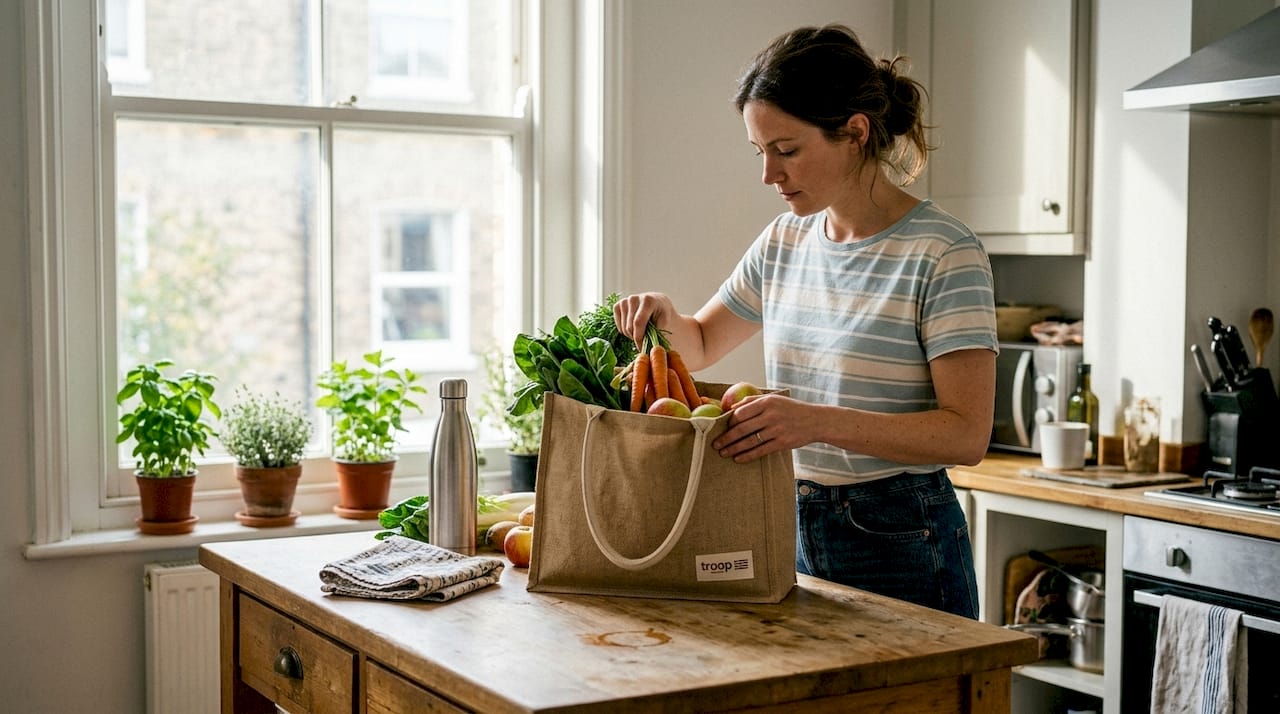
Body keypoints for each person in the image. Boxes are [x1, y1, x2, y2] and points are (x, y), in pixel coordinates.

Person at [612, 24, 996, 619]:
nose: (769, 174)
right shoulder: (785, 239)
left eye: (785, 150)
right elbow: (704, 340)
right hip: (787, 515)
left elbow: (965, 435)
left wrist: (810, 423)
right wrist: (665, 315)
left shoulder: (943, 251)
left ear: (854, 133)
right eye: (759, 151)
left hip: (900, 533)